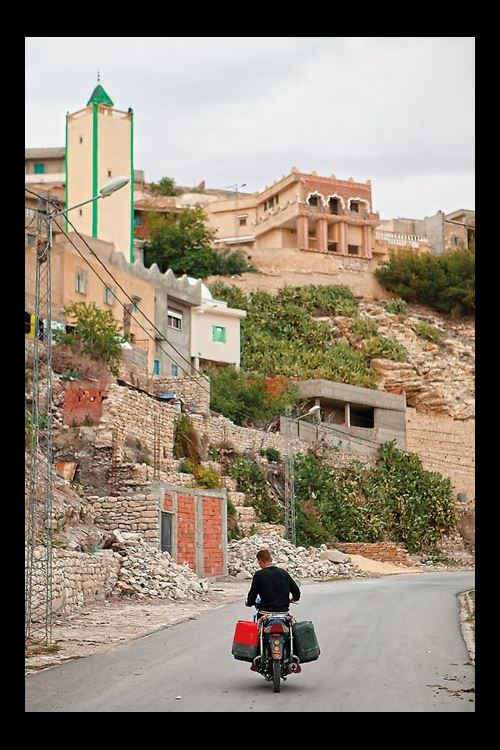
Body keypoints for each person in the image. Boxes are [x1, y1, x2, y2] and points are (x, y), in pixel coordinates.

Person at [245, 549, 300, 620]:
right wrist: (294, 599)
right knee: (291, 625)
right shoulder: (284, 573)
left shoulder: (258, 575)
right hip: (283, 613)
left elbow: (253, 594)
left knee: (257, 627)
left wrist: (249, 603)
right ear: (271, 559)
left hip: (265, 613)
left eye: (259, 563)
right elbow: (296, 591)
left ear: (261, 561)